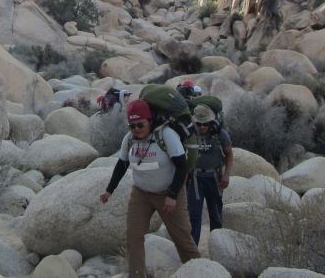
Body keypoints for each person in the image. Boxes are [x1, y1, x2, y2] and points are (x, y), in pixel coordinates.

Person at [99, 99, 200, 278]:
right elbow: (121, 165)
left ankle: (200, 273)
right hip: (141, 193)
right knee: (133, 237)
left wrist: (173, 195)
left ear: (150, 120)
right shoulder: (129, 139)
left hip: (169, 192)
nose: (137, 129)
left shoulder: (166, 135)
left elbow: (182, 167)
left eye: (140, 124)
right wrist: (109, 190)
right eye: (132, 125)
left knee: (183, 239)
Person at [187, 104, 233, 245]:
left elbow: (229, 154)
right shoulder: (190, 133)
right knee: (194, 215)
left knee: (216, 214)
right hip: (195, 178)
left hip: (214, 178)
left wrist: (226, 175)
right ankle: (193, 249)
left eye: (205, 124)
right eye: (199, 124)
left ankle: (218, 246)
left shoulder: (219, 133)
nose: (202, 127)